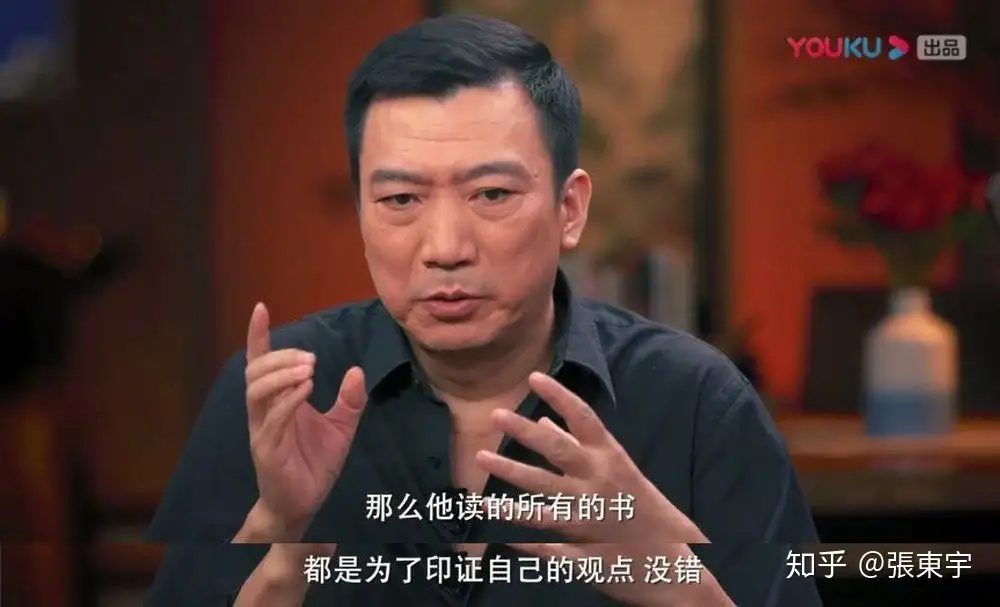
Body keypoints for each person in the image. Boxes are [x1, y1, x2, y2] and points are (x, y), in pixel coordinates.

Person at [146, 14, 822, 607]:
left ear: (569, 208)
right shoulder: (279, 396)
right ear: (360, 214)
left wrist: (678, 582)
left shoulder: (698, 403)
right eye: (400, 200)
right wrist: (281, 535)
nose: (445, 248)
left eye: (492, 194)